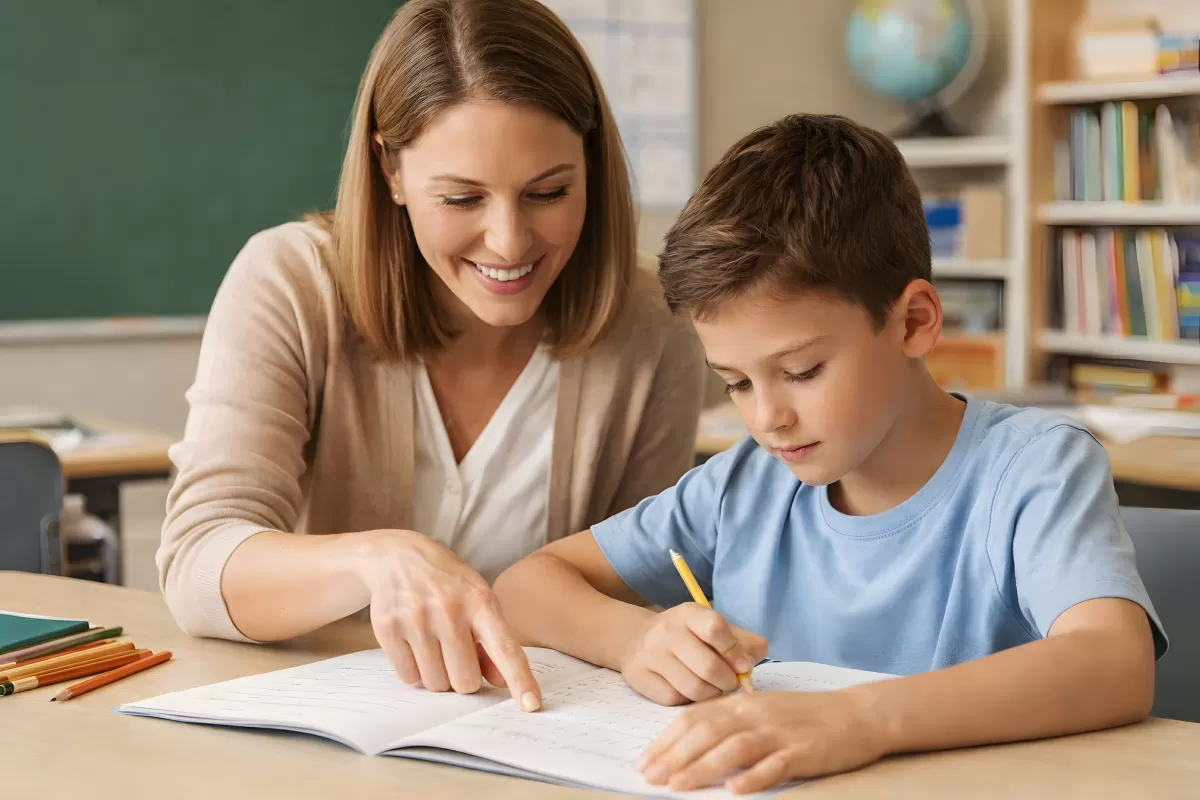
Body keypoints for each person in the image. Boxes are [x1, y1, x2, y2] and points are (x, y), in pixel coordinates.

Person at [493, 113, 1167, 792]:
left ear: (913, 323)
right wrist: (633, 639)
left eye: (802, 371)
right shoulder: (742, 488)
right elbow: (523, 588)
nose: (767, 418)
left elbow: (1114, 661)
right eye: (736, 383)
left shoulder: (1035, 469)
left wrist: (857, 720)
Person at [156, 0, 707, 715]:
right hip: (330, 733)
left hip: (540, 733)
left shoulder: (653, 325)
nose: (509, 241)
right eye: (461, 198)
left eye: (548, 192)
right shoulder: (290, 284)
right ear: (389, 168)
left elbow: (642, 579)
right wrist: (378, 561)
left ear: (592, 165)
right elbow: (198, 560)